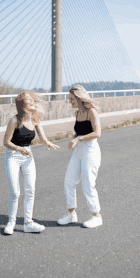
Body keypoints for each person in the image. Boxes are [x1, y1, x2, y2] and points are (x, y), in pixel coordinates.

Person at [3, 92, 59, 235]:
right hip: (13, 155)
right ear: (22, 106)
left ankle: (28, 223)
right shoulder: (14, 121)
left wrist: (47, 143)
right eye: (29, 101)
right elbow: (6, 142)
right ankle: (11, 222)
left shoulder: (35, 119)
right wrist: (20, 149)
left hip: (28, 156)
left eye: (32, 101)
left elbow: (42, 138)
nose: (33, 103)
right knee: (15, 192)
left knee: (30, 190)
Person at [57, 85, 102, 228]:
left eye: (71, 99)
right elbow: (78, 132)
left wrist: (79, 139)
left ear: (79, 98)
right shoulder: (77, 113)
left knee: (88, 184)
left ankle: (96, 216)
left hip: (91, 151)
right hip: (78, 151)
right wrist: (73, 138)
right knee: (69, 181)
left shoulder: (91, 111)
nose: (69, 101)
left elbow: (97, 133)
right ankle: (71, 214)